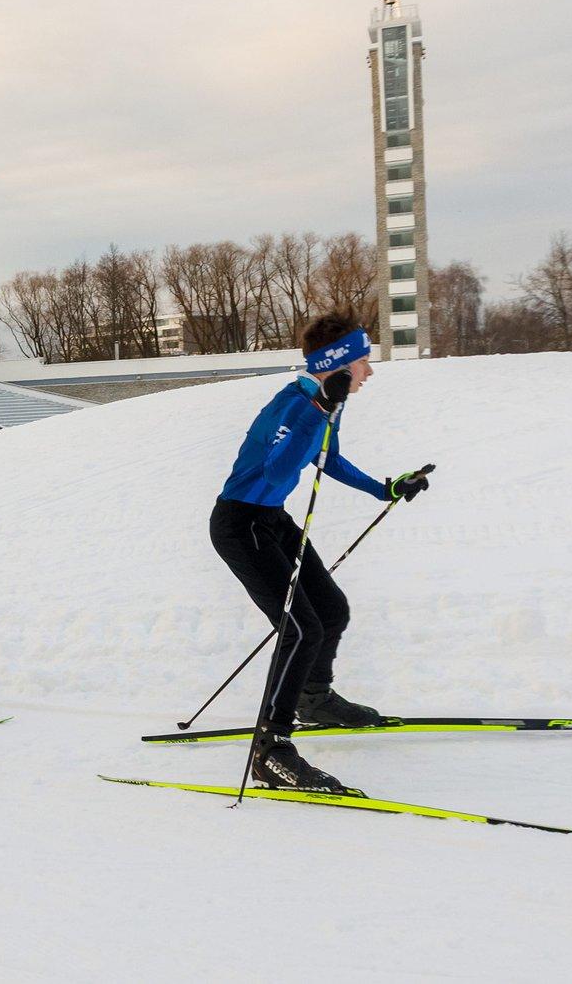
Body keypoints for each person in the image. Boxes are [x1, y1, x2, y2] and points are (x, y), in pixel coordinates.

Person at [209, 313, 432, 795]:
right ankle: (270, 749)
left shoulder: (324, 402)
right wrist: (317, 410)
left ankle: (313, 698)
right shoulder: (292, 404)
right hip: (240, 523)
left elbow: (325, 456)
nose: (368, 373)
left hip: (271, 521)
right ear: (338, 364)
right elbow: (275, 470)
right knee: (299, 629)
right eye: (362, 363)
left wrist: (385, 488)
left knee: (331, 611)